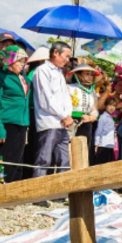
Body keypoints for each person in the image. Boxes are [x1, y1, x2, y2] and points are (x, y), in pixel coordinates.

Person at [0, 46, 31, 183]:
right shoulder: (0, 77)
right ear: (9, 61)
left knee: (15, 158)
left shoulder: (24, 78)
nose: (22, 64)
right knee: (0, 158)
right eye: (19, 61)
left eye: (24, 61)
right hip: (6, 123)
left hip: (21, 123)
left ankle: (11, 191)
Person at [31, 41, 73, 178]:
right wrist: (63, 115)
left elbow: (66, 97)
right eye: (65, 56)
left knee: (64, 160)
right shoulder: (42, 71)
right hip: (48, 122)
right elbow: (46, 100)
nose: (67, 60)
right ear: (55, 52)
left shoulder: (59, 73)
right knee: (44, 159)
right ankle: (38, 194)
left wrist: (68, 115)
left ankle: (61, 194)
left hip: (62, 123)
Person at [21, 46, 49, 179]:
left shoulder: (32, 72)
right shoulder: (38, 72)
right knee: (35, 144)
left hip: (34, 109)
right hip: (35, 110)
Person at [67, 63, 100, 164]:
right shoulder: (69, 87)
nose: (90, 77)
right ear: (78, 75)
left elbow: (95, 111)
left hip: (86, 124)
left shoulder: (92, 92)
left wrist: (90, 118)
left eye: (91, 74)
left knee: (83, 150)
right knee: (69, 149)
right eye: (87, 73)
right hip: (70, 122)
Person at [95, 97, 117, 165]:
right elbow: (98, 131)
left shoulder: (110, 118)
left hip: (109, 145)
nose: (112, 108)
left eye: (114, 106)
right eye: (110, 105)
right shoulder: (103, 117)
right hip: (103, 146)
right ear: (105, 106)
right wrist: (96, 145)